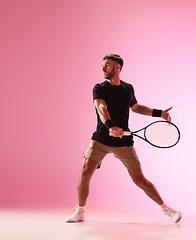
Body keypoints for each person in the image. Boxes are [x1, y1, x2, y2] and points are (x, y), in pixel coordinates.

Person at [66, 54, 181, 223]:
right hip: (100, 140)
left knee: (140, 180)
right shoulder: (99, 88)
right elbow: (101, 107)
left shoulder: (128, 88)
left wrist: (160, 113)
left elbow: (135, 107)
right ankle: (80, 211)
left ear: (117, 68)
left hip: (123, 142)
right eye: (103, 65)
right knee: (85, 172)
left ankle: (166, 209)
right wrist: (111, 126)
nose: (103, 68)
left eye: (107, 65)